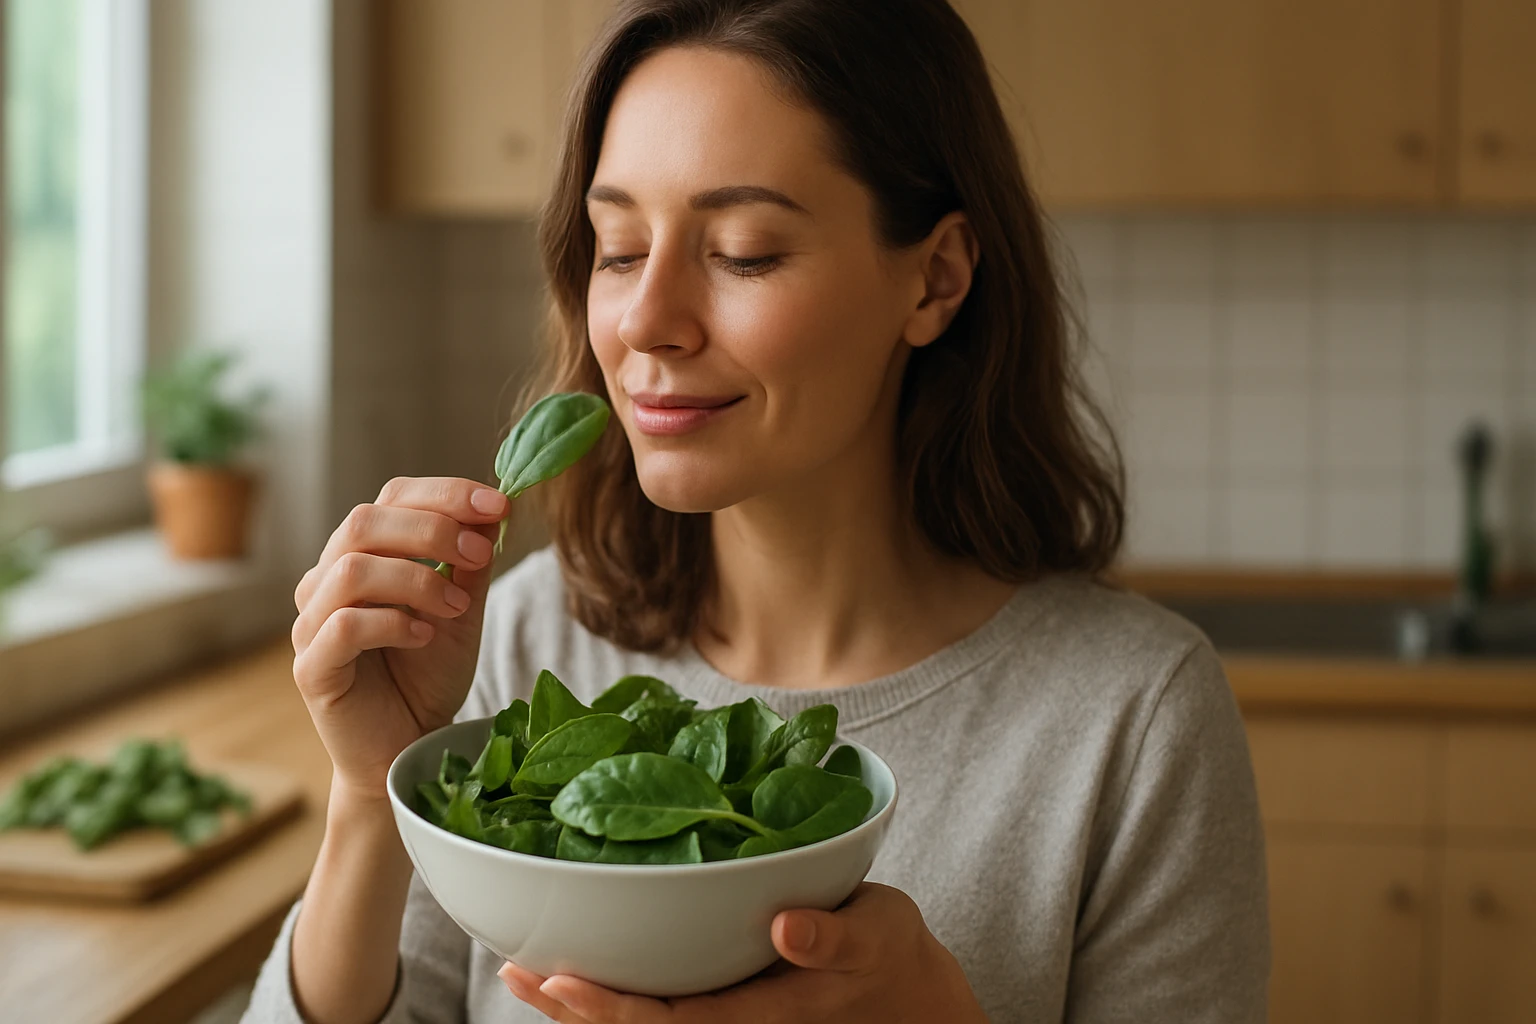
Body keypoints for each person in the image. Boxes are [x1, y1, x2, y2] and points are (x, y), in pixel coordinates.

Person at [244, 1, 1268, 1021]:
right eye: (617, 247)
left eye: (743, 252)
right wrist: (375, 792)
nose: (646, 320)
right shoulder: (513, 642)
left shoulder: (1134, 718)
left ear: (936, 279)